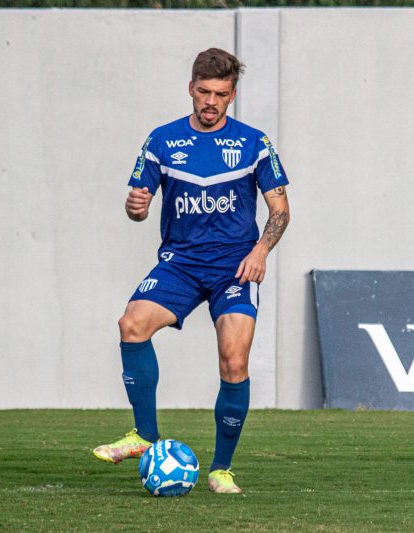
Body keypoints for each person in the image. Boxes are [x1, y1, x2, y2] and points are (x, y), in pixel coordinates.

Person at [92, 48, 290, 494]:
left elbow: (280, 209)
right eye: (203, 91)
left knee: (234, 360)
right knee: (132, 324)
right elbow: (137, 208)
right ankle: (144, 435)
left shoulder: (254, 142)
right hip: (180, 263)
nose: (210, 101)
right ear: (191, 88)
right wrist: (135, 207)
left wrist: (260, 250)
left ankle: (221, 469)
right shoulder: (162, 140)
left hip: (235, 267)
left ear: (232, 95)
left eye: (220, 94)